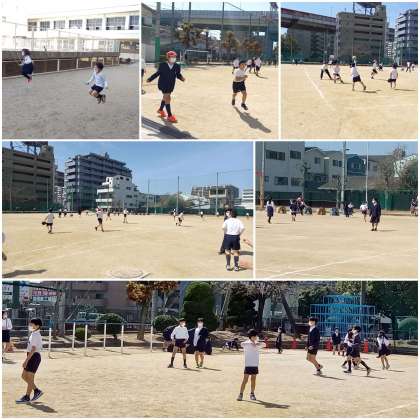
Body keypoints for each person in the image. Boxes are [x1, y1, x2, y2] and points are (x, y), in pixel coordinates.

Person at [146, 51, 185, 123]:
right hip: (163, 84)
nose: (173, 58)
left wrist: (181, 78)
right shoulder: (163, 65)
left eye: (174, 57)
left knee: (165, 97)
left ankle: (160, 110)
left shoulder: (177, 66)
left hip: (171, 85)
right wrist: (150, 79)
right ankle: (169, 116)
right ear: (168, 57)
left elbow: (178, 74)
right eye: (172, 57)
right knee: (168, 98)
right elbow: (157, 73)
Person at [16, 318, 43, 404]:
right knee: (24, 376)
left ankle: (28, 396)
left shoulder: (35, 335)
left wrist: (26, 361)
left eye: (32, 324)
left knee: (29, 377)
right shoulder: (34, 333)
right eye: (30, 324)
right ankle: (35, 391)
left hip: (34, 357)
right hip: (31, 356)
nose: (30, 326)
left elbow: (33, 349)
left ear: (37, 326)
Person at [237, 330, 263, 401]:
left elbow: (264, 345)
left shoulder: (258, 344)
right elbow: (242, 344)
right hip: (248, 364)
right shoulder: (246, 343)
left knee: (253, 380)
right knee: (245, 380)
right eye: (255, 336)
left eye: (256, 336)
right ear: (251, 336)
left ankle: (252, 394)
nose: (256, 337)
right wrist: (251, 343)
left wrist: (256, 343)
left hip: (255, 364)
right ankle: (240, 394)